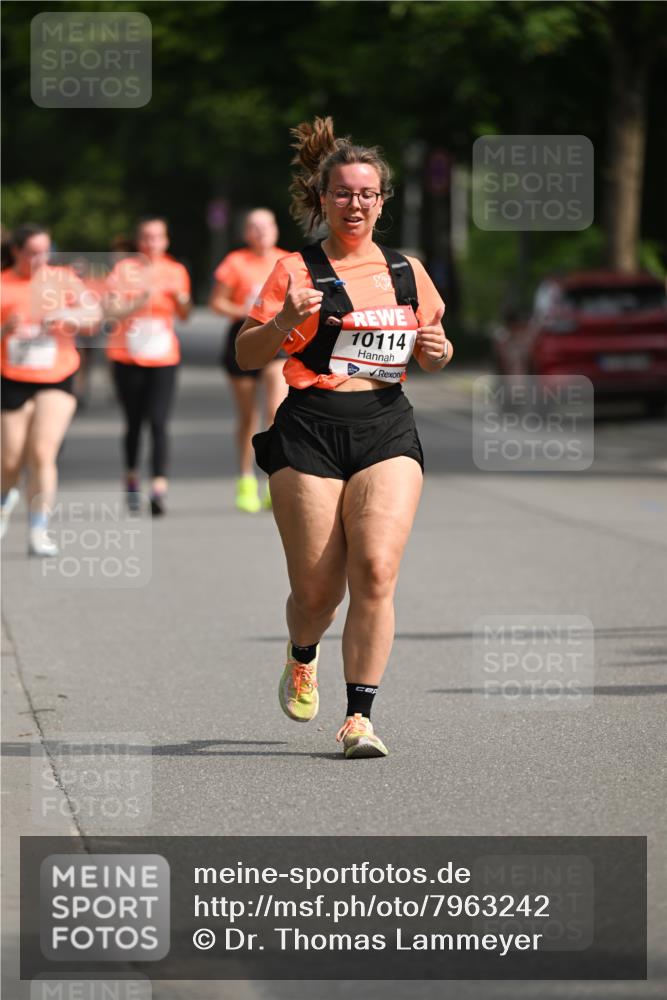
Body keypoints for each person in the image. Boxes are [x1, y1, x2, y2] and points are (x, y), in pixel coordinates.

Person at [236, 118, 453, 758]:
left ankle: (360, 716)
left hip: (386, 425)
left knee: (377, 569)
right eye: (343, 194)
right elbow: (247, 355)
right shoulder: (294, 270)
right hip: (310, 429)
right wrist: (284, 320)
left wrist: (438, 351)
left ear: (382, 202)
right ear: (322, 199)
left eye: (367, 194)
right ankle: (303, 654)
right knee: (317, 592)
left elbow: (434, 350)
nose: (355, 204)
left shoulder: (406, 271)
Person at [1, 223, 101, 554]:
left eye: (45, 251)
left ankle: (38, 529)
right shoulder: (4, 283)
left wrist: (68, 314)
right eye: (32, 253)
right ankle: (5, 498)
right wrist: (5, 329)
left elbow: (94, 314)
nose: (40, 259)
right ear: (16, 251)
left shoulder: (64, 280)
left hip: (57, 374)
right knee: (10, 459)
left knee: (43, 452)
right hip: (12, 377)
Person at [105, 216, 191, 515]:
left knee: (158, 422)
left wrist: (181, 300)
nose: (152, 243)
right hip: (127, 356)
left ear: (165, 241)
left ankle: (158, 488)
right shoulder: (124, 270)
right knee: (133, 422)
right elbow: (112, 312)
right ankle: (131, 478)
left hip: (163, 356)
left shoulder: (176, 270)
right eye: (146, 237)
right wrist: (138, 301)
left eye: (157, 237)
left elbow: (185, 314)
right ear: (138, 240)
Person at [209, 209, 289, 512]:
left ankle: (273, 479)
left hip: (278, 338)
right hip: (243, 337)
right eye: (254, 227)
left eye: (266, 226)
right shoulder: (235, 262)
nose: (261, 232)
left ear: (276, 229)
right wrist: (245, 310)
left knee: (275, 411)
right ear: (246, 233)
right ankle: (245, 479)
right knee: (248, 417)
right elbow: (217, 302)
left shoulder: (288, 261)